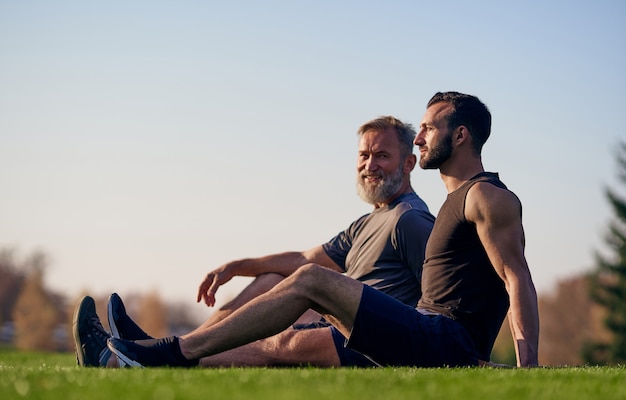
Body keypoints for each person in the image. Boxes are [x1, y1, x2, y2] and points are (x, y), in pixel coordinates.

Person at [86, 91, 540, 368]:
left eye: (427, 128)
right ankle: (154, 349)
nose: (419, 137)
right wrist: (241, 265)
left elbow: (516, 277)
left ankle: (168, 352)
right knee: (300, 279)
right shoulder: (450, 203)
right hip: (426, 331)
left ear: (460, 136)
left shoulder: (484, 196)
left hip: (445, 338)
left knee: (308, 282)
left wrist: (527, 365)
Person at [73, 115, 436, 368]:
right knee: (271, 280)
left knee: (283, 342)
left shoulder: (410, 220)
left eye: (382, 156)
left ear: (408, 164)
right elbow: (304, 258)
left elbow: (437, 302)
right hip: (342, 327)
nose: (370, 164)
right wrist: (238, 267)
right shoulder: (370, 221)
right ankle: (157, 350)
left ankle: (134, 356)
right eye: (364, 155)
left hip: (371, 341)